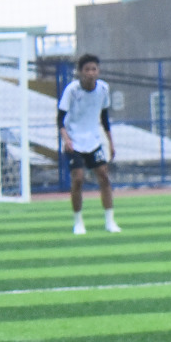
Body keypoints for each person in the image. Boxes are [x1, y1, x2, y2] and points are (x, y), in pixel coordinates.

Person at [57, 53, 119, 235]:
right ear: (80, 72)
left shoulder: (103, 89)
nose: (91, 73)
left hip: (93, 141)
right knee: (78, 179)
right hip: (74, 141)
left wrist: (111, 142)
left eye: (94, 69)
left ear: (98, 71)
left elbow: (104, 118)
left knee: (104, 177)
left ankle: (110, 221)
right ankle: (78, 222)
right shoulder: (72, 90)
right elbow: (60, 119)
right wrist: (66, 139)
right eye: (87, 70)